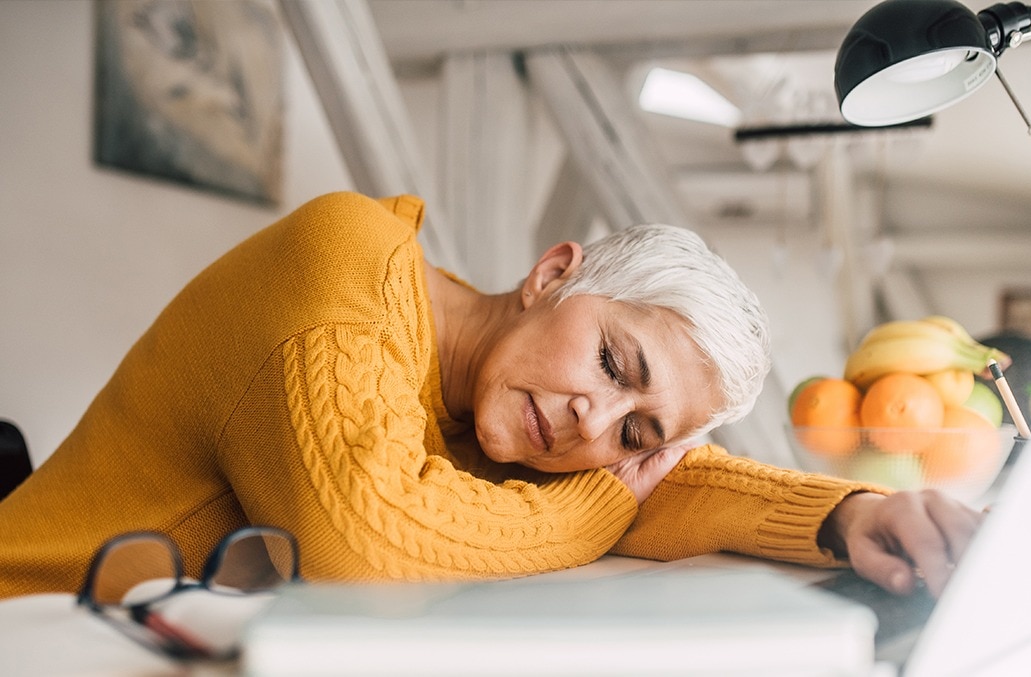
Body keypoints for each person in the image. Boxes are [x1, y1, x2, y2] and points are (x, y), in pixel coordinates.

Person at [0, 192, 979, 601]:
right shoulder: (346, 267)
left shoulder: (490, 404)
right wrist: (602, 498)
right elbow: (364, 538)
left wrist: (854, 511)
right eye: (611, 359)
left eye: (634, 429)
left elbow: (672, 485)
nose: (593, 421)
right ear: (552, 273)